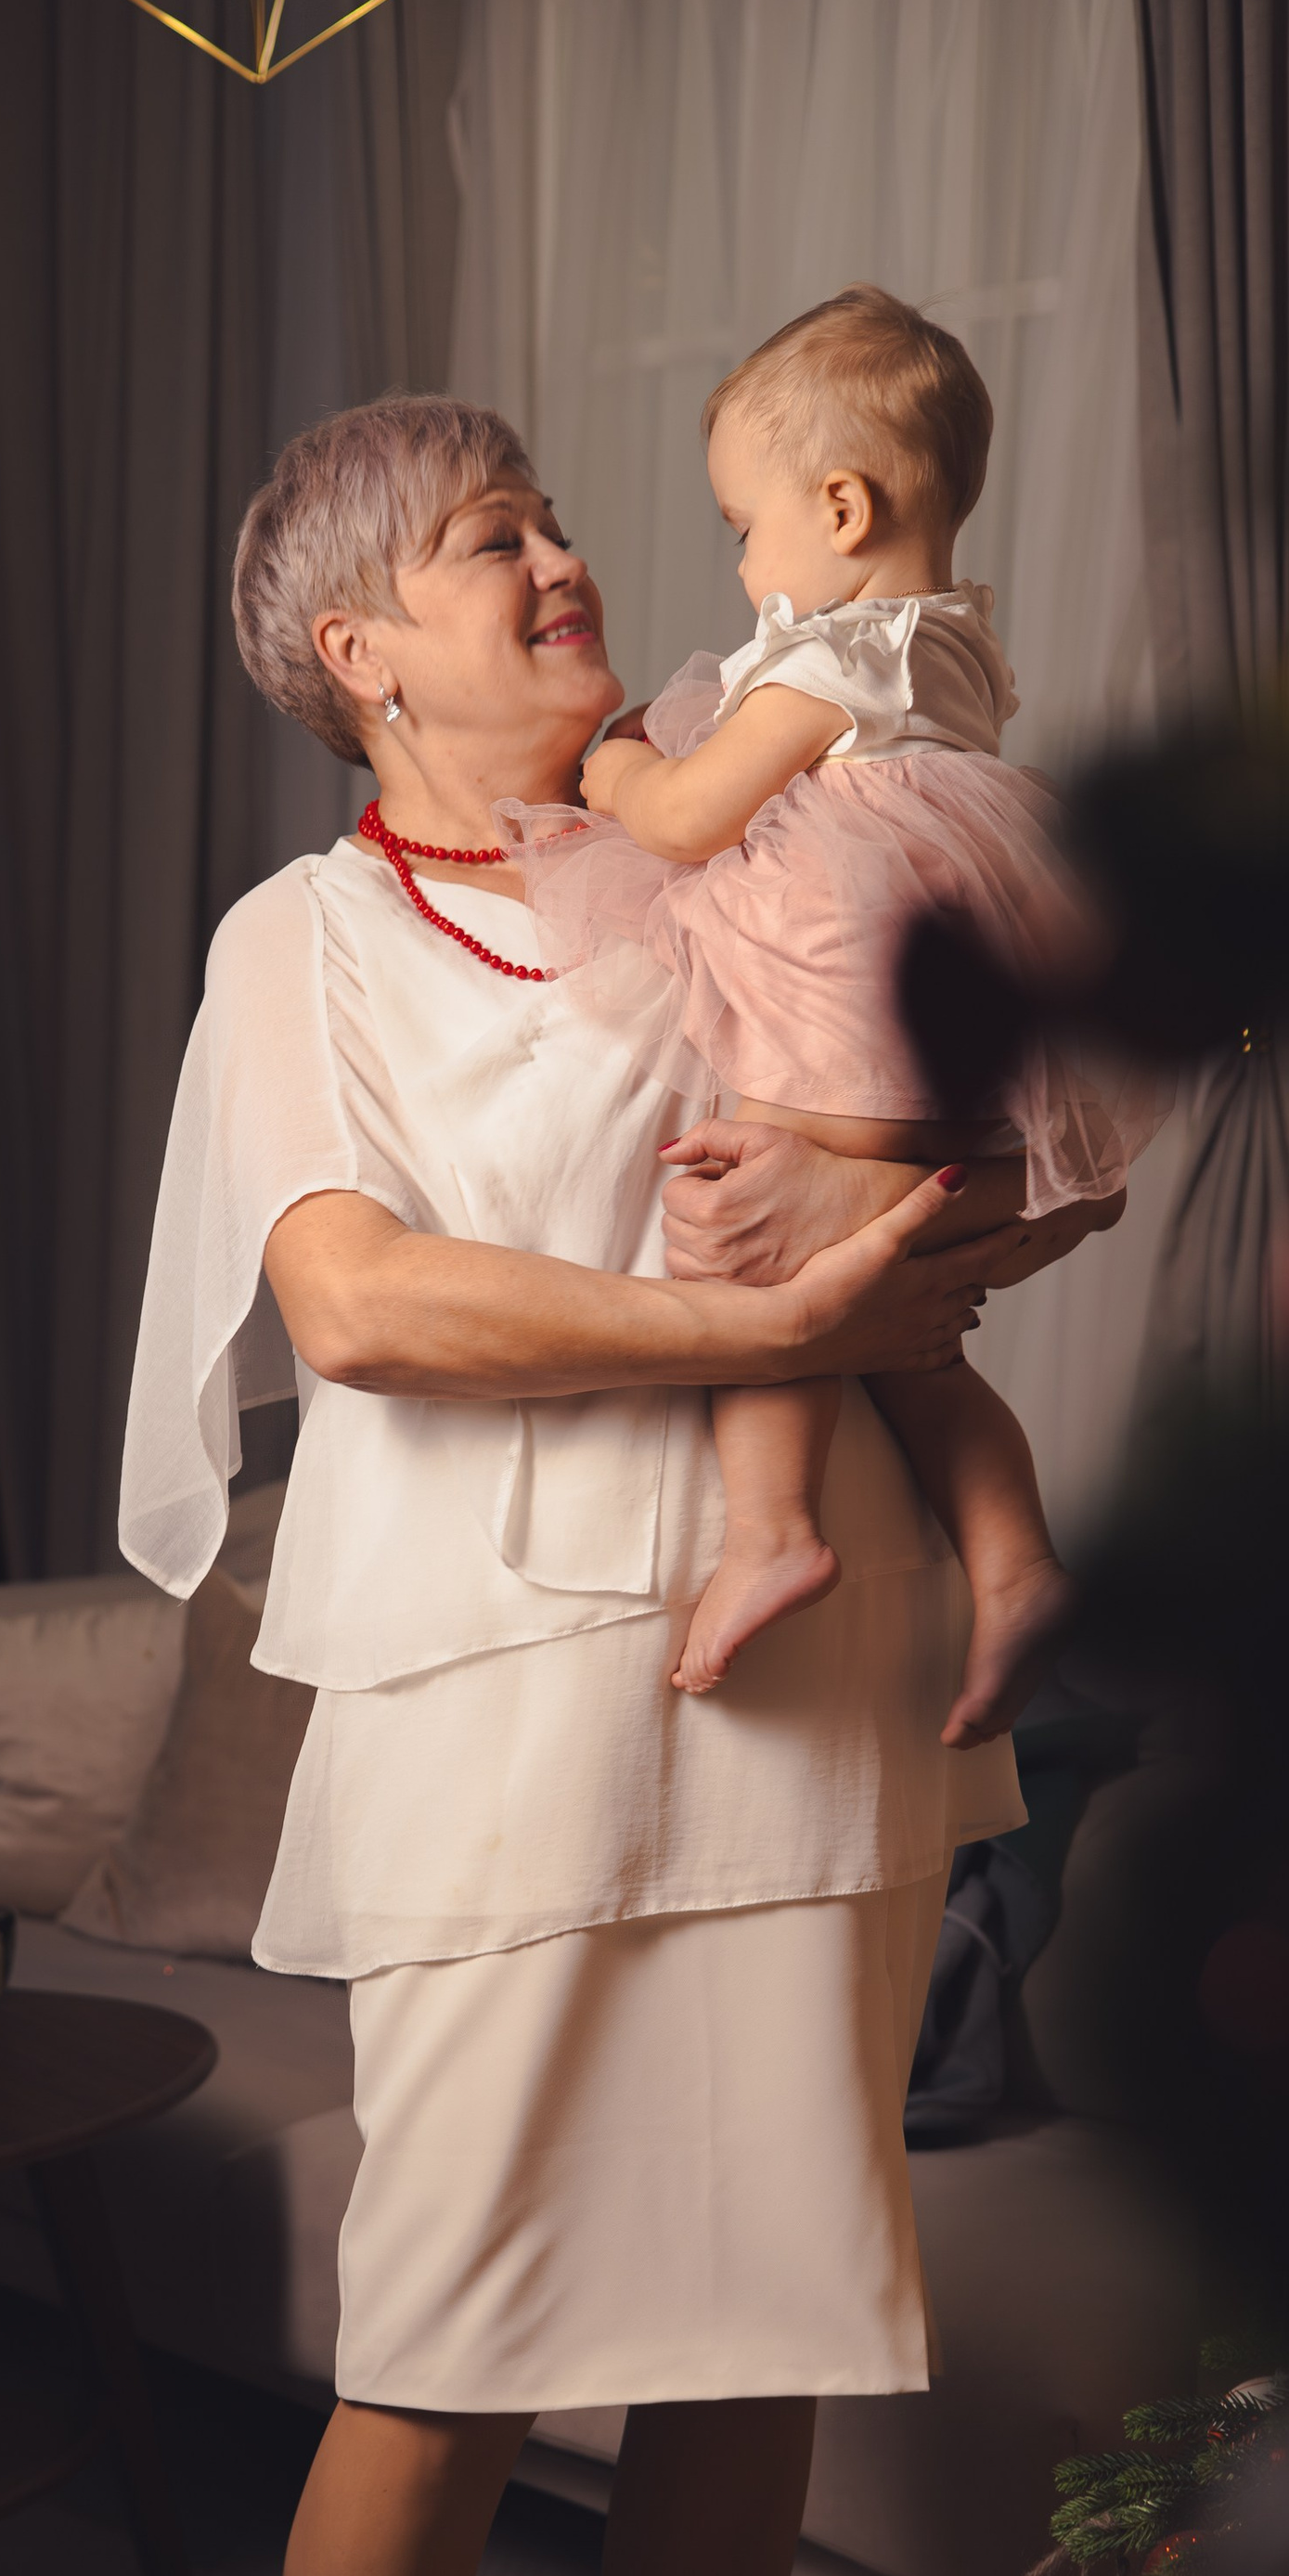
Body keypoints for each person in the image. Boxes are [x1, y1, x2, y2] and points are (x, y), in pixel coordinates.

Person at [119, 393, 1048, 2576]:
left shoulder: (742, 848)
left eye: (546, 517)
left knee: (752, 2330)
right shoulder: (301, 944)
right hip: (501, 1681)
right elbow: (368, 1306)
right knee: (446, 2340)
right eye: (480, 542)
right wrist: (752, 1320)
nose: (556, 558)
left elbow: (928, 1171)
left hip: (808, 1664)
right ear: (353, 654)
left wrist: (957, 1221)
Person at [502, 287, 1163, 1731]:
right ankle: (1018, 1565)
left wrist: (614, 771)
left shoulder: (829, 659)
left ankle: (772, 1532)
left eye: (744, 527)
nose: (745, 563)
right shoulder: (957, 646)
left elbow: (690, 818)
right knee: (906, 1338)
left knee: (757, 1265)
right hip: (949, 1014)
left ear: (843, 509)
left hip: (841, 987)